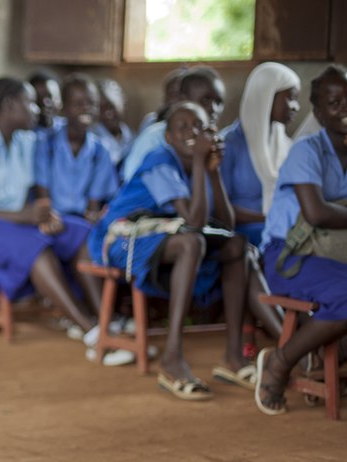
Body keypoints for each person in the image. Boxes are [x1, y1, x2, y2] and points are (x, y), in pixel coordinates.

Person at [88, 102, 281, 400]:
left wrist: (212, 172)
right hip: (122, 238)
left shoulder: (199, 165)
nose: (192, 133)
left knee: (238, 245)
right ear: (169, 137)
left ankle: (233, 356)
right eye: (183, 128)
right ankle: (172, 358)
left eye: (199, 127)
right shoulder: (160, 160)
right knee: (193, 242)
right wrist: (204, 162)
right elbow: (193, 223)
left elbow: (227, 225)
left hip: (169, 237)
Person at [0, 77, 131, 365]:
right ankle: (90, 331)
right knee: (34, 245)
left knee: (80, 232)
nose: (37, 109)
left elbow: (29, 195)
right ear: (8, 106)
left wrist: (45, 215)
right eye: (30, 103)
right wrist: (25, 217)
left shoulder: (25, 141)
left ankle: (103, 318)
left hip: (9, 219)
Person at [255, 65, 347, 416]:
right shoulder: (307, 150)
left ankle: (326, 353)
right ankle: (281, 360)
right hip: (293, 257)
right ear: (319, 113)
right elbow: (317, 213)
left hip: (345, 252)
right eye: (335, 103)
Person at [219, 62, 301, 247]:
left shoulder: (285, 145)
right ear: (266, 96)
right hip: (244, 231)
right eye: (290, 98)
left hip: (281, 226)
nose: (296, 107)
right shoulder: (229, 144)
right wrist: (268, 218)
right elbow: (217, 207)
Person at [122, 67, 225, 182]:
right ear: (183, 100)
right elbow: (132, 181)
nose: (214, 109)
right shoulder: (155, 139)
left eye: (218, 102)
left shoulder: (212, 142)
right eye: (205, 100)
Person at [39, 74, 119, 222]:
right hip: (50, 219)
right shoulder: (46, 143)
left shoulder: (101, 151)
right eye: (78, 104)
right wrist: (49, 218)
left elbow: (93, 206)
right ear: (63, 109)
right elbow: (42, 198)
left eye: (91, 103)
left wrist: (93, 217)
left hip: (81, 220)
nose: (86, 109)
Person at [93, 78, 135, 168]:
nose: (107, 114)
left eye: (111, 106)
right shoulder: (93, 139)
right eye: (101, 109)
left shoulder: (133, 138)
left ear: (123, 102)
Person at [137, 67, 187, 135]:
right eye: (173, 94)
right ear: (165, 99)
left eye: (183, 94)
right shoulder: (152, 121)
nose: (179, 100)